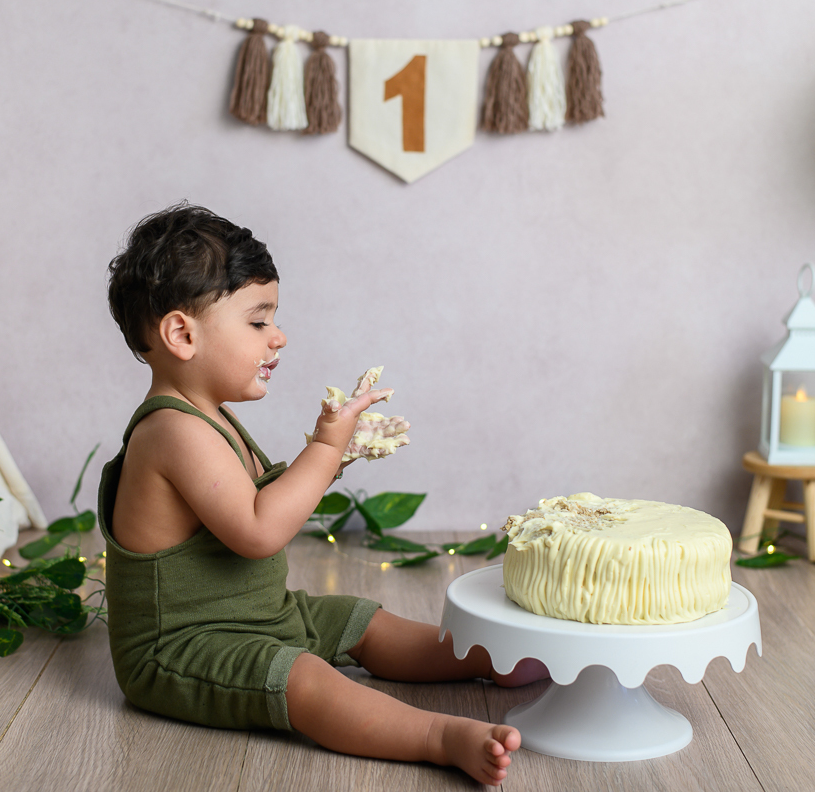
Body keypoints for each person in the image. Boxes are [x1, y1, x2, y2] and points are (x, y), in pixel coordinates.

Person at [99, 203, 543, 786]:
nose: (278, 336)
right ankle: (437, 736)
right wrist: (325, 447)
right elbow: (259, 531)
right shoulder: (172, 431)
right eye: (258, 321)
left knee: (359, 620)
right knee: (303, 679)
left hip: (259, 615)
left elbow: (262, 499)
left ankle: (484, 658)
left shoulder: (211, 418)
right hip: (182, 649)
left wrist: (331, 456)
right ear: (182, 333)